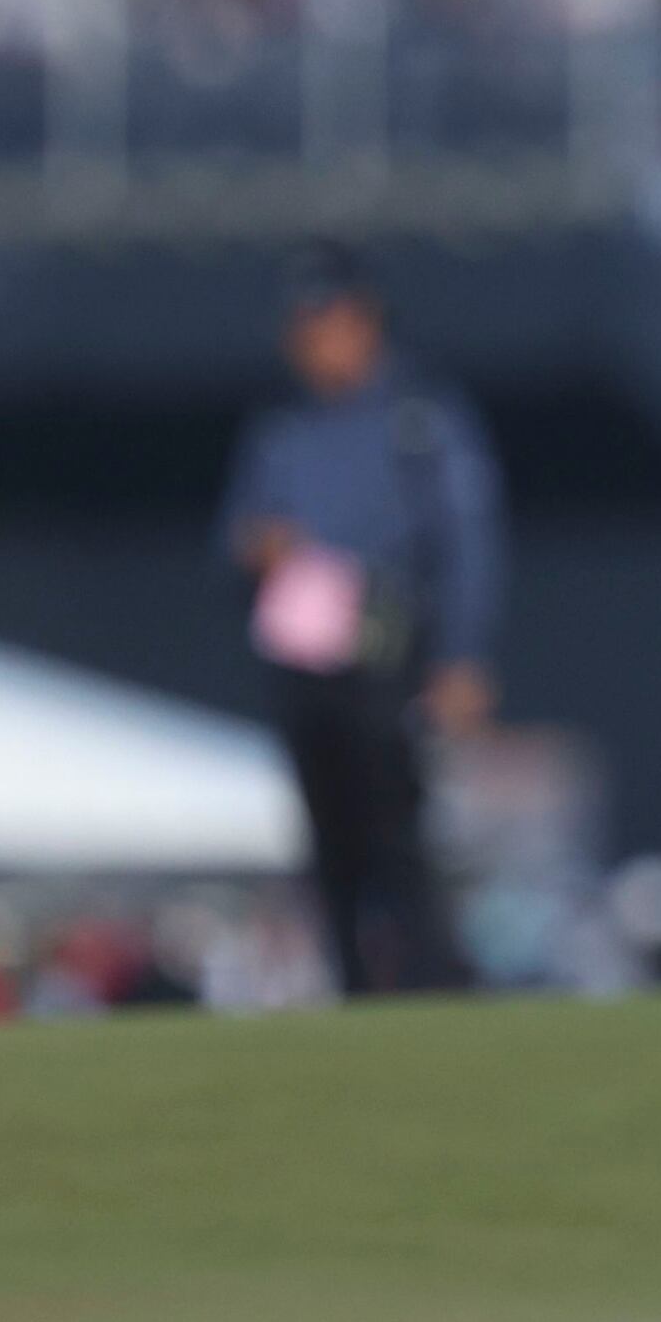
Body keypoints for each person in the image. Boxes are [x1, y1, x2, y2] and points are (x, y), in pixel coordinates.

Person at [223, 243, 505, 998]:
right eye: (304, 327)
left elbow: (465, 540)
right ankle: (351, 989)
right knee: (328, 830)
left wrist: (461, 656)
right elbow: (240, 528)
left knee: (396, 822)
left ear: (364, 322)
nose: (315, 342)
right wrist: (265, 545)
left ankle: (428, 983)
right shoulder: (282, 429)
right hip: (303, 650)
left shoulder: (419, 418)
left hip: (384, 635)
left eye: (329, 323)